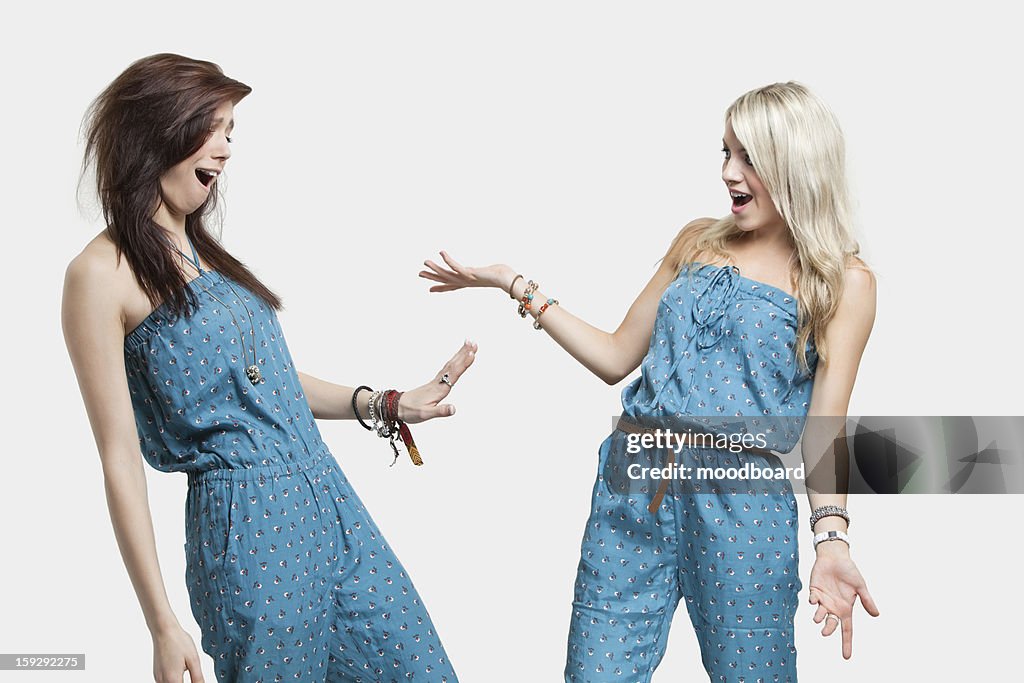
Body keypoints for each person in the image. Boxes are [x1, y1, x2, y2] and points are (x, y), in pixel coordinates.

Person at [421, 81, 880, 681]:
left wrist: (832, 542)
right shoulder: (697, 241)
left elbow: (824, 430)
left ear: (795, 165)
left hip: (741, 505)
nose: (728, 173)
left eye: (749, 158)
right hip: (634, 483)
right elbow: (616, 355)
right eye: (725, 152)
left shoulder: (845, 282)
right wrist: (516, 283)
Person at [62, 53, 473, 683]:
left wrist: (387, 404)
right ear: (156, 129)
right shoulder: (99, 274)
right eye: (214, 127)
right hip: (248, 528)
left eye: (232, 131)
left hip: (330, 500)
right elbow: (118, 457)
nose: (226, 149)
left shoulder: (200, 249)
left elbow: (271, 381)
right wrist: (162, 623)